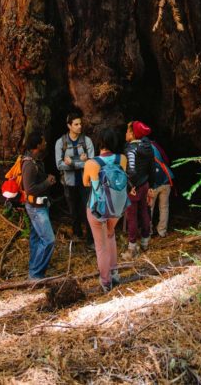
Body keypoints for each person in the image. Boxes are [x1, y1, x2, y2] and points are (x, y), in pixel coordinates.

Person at [83, 127, 127, 293]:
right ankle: (115, 273)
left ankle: (106, 281)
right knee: (111, 236)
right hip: (116, 207)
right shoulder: (121, 159)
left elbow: (86, 183)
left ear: (99, 142)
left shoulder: (92, 163)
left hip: (98, 209)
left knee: (100, 246)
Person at [55, 110, 95, 245]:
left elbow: (91, 163)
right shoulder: (61, 143)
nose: (79, 126)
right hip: (69, 183)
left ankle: (90, 239)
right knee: (73, 211)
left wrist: (71, 162)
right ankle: (77, 234)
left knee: (88, 210)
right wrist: (81, 163)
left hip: (86, 183)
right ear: (69, 126)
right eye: (76, 124)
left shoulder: (87, 141)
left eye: (80, 124)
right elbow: (59, 165)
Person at [22, 131, 57, 280]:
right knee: (49, 240)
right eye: (43, 141)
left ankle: (34, 269)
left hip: (40, 205)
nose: (45, 143)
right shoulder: (29, 165)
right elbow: (30, 189)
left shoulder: (36, 161)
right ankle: (36, 274)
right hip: (36, 208)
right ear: (37, 145)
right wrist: (47, 182)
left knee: (36, 238)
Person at [121, 120, 155, 259]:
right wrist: (151, 186)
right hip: (145, 184)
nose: (126, 133)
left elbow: (131, 170)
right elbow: (152, 168)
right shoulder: (148, 147)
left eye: (128, 131)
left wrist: (130, 186)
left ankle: (132, 249)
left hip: (134, 187)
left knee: (132, 217)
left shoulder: (130, 149)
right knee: (145, 213)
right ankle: (145, 243)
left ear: (133, 134)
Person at [150, 138, 175, 237]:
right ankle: (162, 231)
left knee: (149, 208)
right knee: (164, 207)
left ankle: (148, 232)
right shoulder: (156, 146)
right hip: (166, 179)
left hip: (153, 184)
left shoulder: (141, 147)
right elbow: (166, 159)